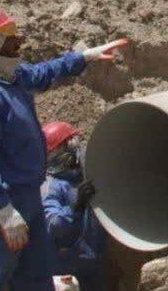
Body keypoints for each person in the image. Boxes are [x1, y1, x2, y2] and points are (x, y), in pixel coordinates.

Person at [0, 4, 126, 291]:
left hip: (31, 195)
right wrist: (4, 210)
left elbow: (45, 72)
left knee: (37, 276)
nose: (18, 39)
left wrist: (83, 57)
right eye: (8, 33)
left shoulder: (13, 79)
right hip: (8, 201)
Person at [41, 121, 107, 291]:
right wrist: (76, 206)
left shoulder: (85, 177)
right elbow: (54, 225)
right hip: (66, 268)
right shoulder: (51, 186)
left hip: (95, 263)